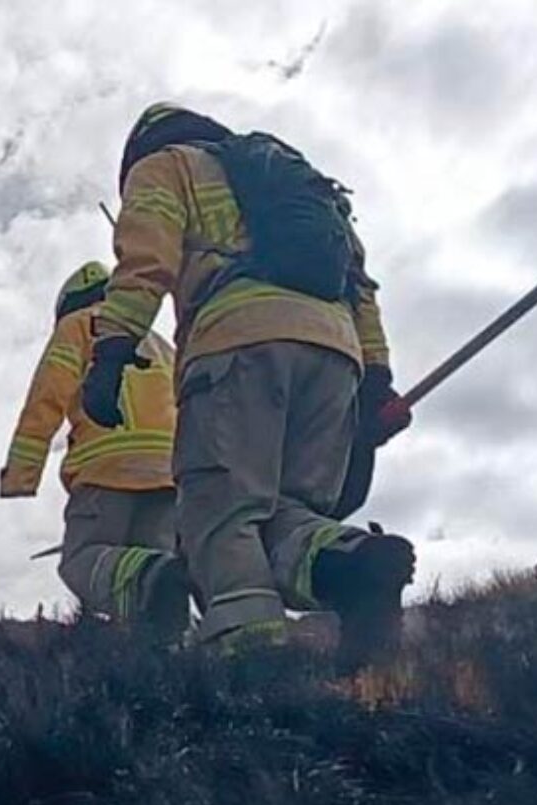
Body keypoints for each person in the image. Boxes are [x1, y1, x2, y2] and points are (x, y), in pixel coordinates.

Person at [82, 103, 415, 666]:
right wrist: (377, 382)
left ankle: (254, 670)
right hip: (337, 354)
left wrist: (113, 351)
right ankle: (353, 564)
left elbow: (146, 264)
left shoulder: (167, 166)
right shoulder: (302, 188)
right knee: (288, 514)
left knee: (221, 517)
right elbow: (361, 288)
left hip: (238, 346)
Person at [0, 261, 191, 639]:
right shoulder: (157, 342)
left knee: (82, 560)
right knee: (158, 577)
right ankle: (167, 662)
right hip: (171, 475)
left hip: (107, 470)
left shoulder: (79, 327)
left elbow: (47, 398)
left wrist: (21, 474)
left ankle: (149, 589)